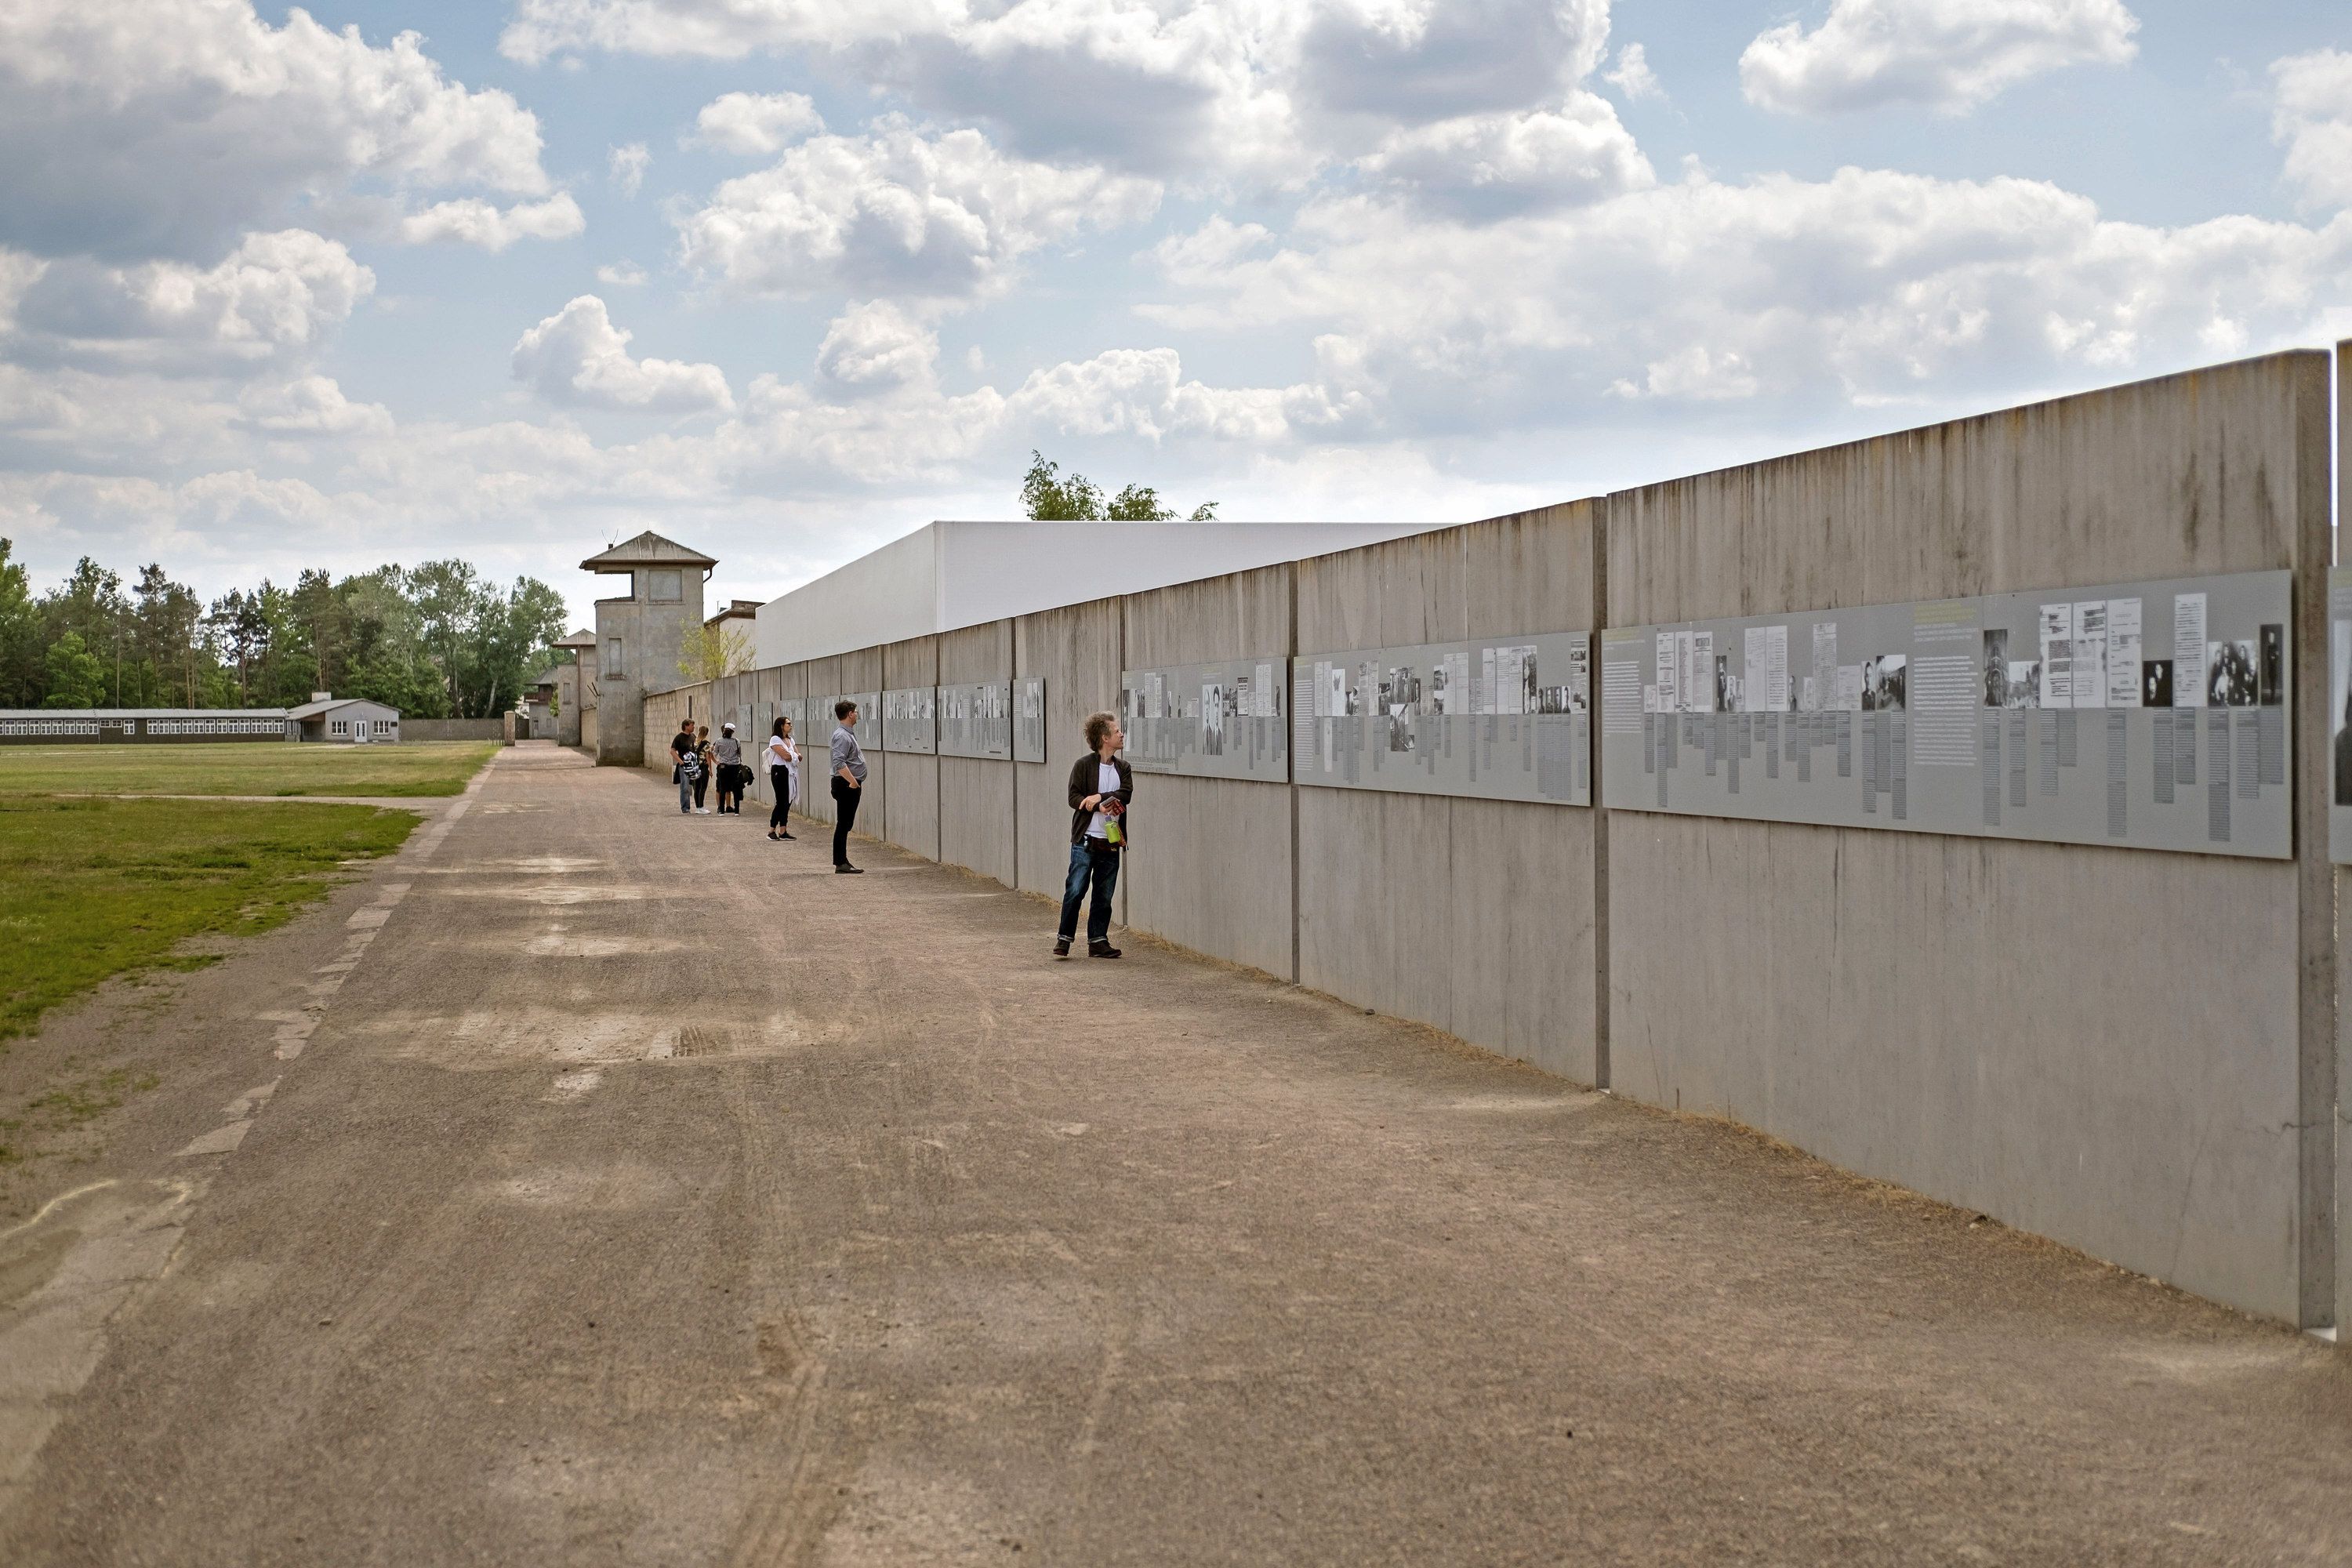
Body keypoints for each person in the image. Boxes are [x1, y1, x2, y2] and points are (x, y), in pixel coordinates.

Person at [1057, 710, 1133, 959]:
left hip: (1111, 840)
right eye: (1116, 731)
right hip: (1086, 839)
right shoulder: (1083, 766)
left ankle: (1098, 941)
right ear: (1104, 738)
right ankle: (1064, 939)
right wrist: (1089, 804)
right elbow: (1073, 797)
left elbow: (1126, 794)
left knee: (1104, 894)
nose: (1121, 734)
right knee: (1076, 890)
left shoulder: (1123, 767)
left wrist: (1099, 798)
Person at [829, 699, 867, 873]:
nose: (857, 715)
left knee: (846, 824)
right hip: (846, 784)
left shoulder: (847, 733)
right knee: (843, 824)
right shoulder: (842, 735)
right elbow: (839, 762)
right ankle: (840, 863)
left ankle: (842, 861)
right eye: (856, 712)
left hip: (850, 783)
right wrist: (852, 781)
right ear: (850, 714)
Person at [767, 716, 799, 840]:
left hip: (789, 772)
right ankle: (771, 830)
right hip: (779, 771)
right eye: (788, 724)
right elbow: (787, 757)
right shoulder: (775, 739)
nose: (790, 726)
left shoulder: (790, 740)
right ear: (781, 726)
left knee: (788, 800)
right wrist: (794, 756)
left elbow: (798, 755)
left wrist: (794, 756)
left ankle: (783, 830)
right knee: (781, 801)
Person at [669, 719, 700, 815]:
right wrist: (680, 761)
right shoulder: (679, 738)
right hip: (684, 766)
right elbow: (672, 750)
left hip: (693, 765)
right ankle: (685, 807)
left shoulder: (693, 737)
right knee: (685, 786)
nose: (693, 727)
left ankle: (699, 806)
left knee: (696, 786)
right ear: (686, 726)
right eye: (692, 725)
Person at [714, 721, 745, 814]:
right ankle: (737, 810)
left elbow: (715, 753)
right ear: (732, 732)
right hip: (735, 767)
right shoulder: (736, 741)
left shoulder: (719, 741)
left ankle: (721, 810)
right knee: (735, 788)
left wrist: (717, 761)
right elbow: (739, 754)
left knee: (722, 788)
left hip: (723, 766)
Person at [692, 724, 715, 813]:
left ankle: (698, 807)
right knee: (703, 787)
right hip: (703, 767)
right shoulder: (706, 744)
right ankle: (701, 807)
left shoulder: (695, 742)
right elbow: (708, 757)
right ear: (706, 733)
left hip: (695, 767)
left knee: (696, 787)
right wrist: (710, 770)